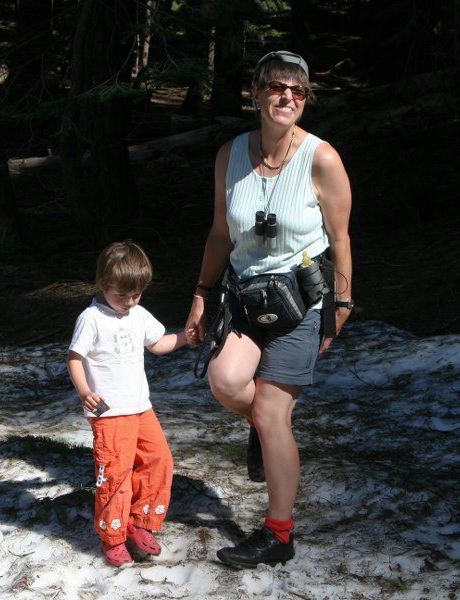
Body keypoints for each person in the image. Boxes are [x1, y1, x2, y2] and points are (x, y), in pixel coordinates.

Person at [185, 50, 353, 568]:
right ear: (256, 94)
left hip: (301, 300)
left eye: (298, 91)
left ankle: (279, 535)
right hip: (245, 296)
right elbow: (219, 232)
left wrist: (342, 302)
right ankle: (261, 429)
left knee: (273, 410)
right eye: (277, 87)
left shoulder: (321, 158)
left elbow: (340, 238)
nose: (287, 98)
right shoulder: (230, 154)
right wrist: (200, 295)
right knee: (226, 382)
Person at [68, 241, 189, 567]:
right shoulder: (91, 318)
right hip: (109, 412)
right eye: (123, 295)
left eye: (136, 295)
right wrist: (84, 391)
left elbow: (159, 343)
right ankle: (113, 536)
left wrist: (187, 337)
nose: (130, 302)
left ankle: (139, 521)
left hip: (141, 406)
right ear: (103, 284)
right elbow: (75, 358)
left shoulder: (138, 313)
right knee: (115, 474)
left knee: (159, 460)